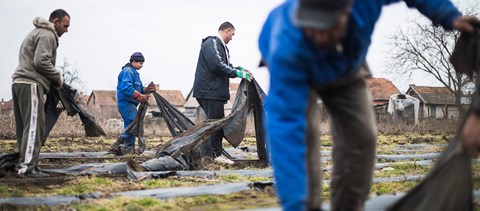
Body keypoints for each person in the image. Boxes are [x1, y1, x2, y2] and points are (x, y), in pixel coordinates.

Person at [258, 0, 478, 210]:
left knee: (362, 136)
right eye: (311, 26)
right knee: (304, 136)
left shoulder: (364, 3)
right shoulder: (287, 47)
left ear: (346, 11)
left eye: (325, 26)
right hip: (300, 63)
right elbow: (286, 129)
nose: (318, 35)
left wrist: (449, 16)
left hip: (347, 66)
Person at [11, 9, 70, 178]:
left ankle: (25, 164)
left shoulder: (36, 32)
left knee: (25, 127)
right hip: (30, 83)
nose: (66, 30)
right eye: (65, 26)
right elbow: (40, 61)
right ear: (56, 21)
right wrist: (57, 78)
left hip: (20, 83)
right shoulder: (47, 34)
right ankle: (27, 168)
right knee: (34, 127)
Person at [193, 21, 253, 165]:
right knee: (215, 123)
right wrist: (236, 73)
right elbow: (216, 65)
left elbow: (225, 65)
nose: (232, 38)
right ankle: (214, 155)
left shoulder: (222, 47)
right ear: (227, 30)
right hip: (209, 90)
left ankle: (211, 154)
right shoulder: (211, 42)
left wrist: (238, 68)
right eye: (232, 34)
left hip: (215, 91)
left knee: (215, 122)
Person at [113, 52, 156, 155]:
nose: (142, 65)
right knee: (133, 124)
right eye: (140, 63)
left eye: (142, 63)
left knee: (130, 125)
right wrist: (139, 96)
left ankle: (128, 148)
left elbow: (139, 89)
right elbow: (127, 88)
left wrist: (147, 89)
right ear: (133, 61)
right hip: (126, 103)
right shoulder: (128, 71)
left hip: (130, 104)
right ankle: (117, 144)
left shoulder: (134, 73)